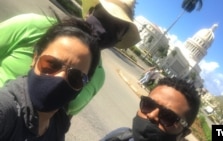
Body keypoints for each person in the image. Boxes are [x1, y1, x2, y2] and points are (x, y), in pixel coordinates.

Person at [0, 0, 140, 116]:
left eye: (115, 30)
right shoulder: (32, 25)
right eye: (103, 18)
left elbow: (66, 117)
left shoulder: (98, 77)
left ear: (118, 41)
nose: (103, 30)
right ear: (89, 13)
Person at [0, 16, 100, 140]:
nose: (61, 77)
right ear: (35, 58)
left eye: (76, 77)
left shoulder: (59, 124)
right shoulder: (6, 109)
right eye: (51, 64)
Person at [101, 77, 201, 141]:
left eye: (168, 117)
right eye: (149, 105)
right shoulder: (120, 135)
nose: (151, 115)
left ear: (184, 133)